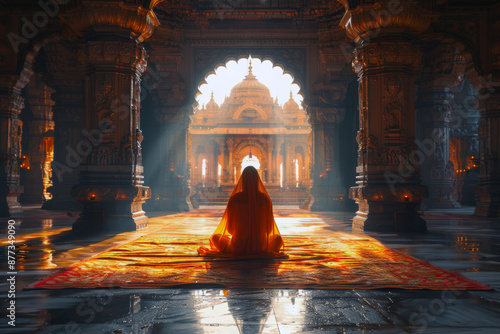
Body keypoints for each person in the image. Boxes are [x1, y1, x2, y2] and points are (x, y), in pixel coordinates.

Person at [198, 166, 285, 257]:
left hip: (238, 247)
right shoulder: (265, 199)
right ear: (257, 180)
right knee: (278, 239)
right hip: (261, 246)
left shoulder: (235, 199)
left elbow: (230, 230)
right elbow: (269, 229)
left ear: (242, 181)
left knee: (215, 237)